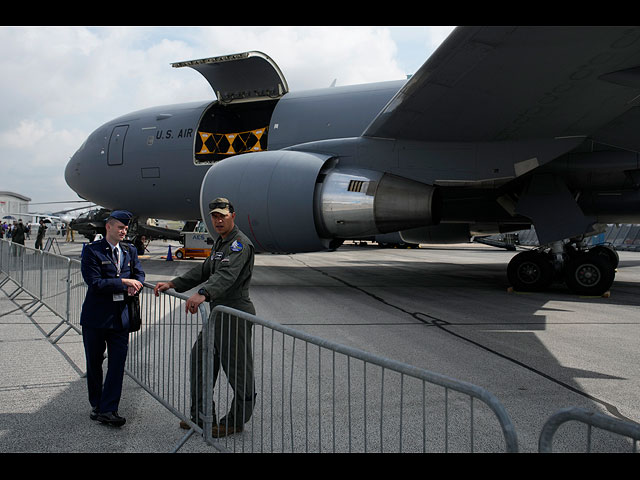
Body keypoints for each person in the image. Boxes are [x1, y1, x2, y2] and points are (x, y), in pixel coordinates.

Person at [154, 198, 256, 438]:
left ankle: (236, 420)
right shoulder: (221, 243)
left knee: (237, 370)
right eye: (214, 216)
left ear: (233, 215)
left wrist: (203, 293)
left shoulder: (239, 244)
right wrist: (173, 283)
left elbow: (227, 275)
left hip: (235, 314)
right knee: (200, 359)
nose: (218, 220)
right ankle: (201, 416)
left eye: (223, 215)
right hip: (219, 313)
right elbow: (204, 270)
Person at [80, 210, 145, 427]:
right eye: (120, 227)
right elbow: (95, 282)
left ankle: (109, 409)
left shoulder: (130, 250)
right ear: (108, 226)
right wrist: (124, 283)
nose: (124, 231)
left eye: (126, 228)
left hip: (121, 318)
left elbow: (139, 274)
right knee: (95, 363)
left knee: (117, 364)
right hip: (96, 318)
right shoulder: (93, 251)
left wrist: (138, 284)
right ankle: (97, 404)